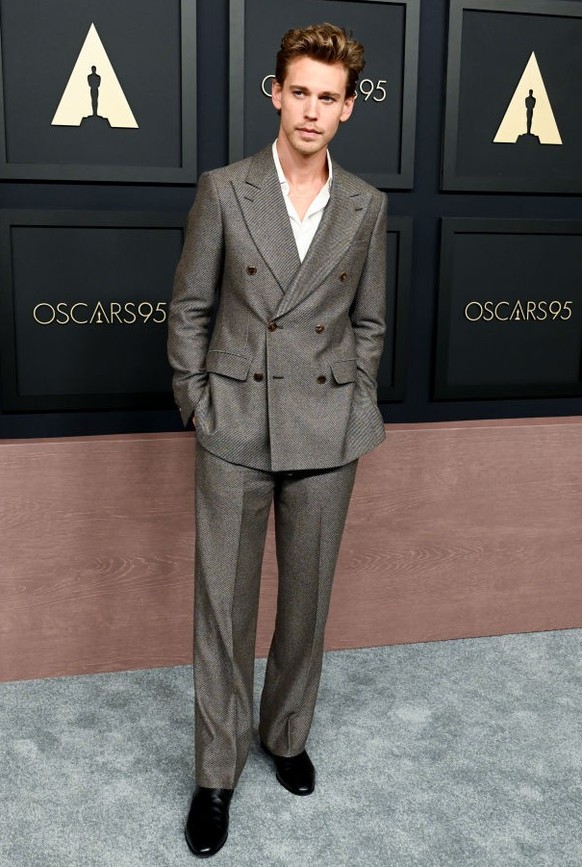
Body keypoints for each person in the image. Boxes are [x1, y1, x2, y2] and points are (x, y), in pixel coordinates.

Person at [168, 22, 387, 858]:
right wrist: (198, 402)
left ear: (348, 109)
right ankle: (216, 769)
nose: (311, 109)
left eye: (327, 96)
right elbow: (190, 308)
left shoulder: (367, 204)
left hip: (328, 429)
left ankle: (285, 735)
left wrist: (357, 398)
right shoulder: (225, 189)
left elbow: (369, 321)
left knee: (307, 602)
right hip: (234, 424)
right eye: (299, 90)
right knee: (221, 609)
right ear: (275, 93)